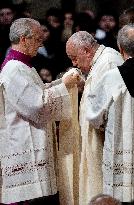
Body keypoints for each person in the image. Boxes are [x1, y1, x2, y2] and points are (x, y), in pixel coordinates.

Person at [0, 18, 80, 205]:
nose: (40, 43)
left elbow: (39, 93)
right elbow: (37, 105)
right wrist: (64, 86)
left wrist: (61, 84)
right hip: (24, 147)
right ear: (23, 39)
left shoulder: (24, 66)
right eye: (37, 39)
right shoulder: (14, 69)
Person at [66, 31, 124, 205]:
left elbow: (111, 109)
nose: (74, 63)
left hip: (105, 141)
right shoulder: (100, 61)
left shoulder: (109, 61)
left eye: (74, 58)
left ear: (86, 50)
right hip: (95, 138)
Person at [86, 24, 134, 203]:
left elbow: (94, 115)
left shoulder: (113, 77)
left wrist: (104, 126)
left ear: (120, 49)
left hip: (121, 144)